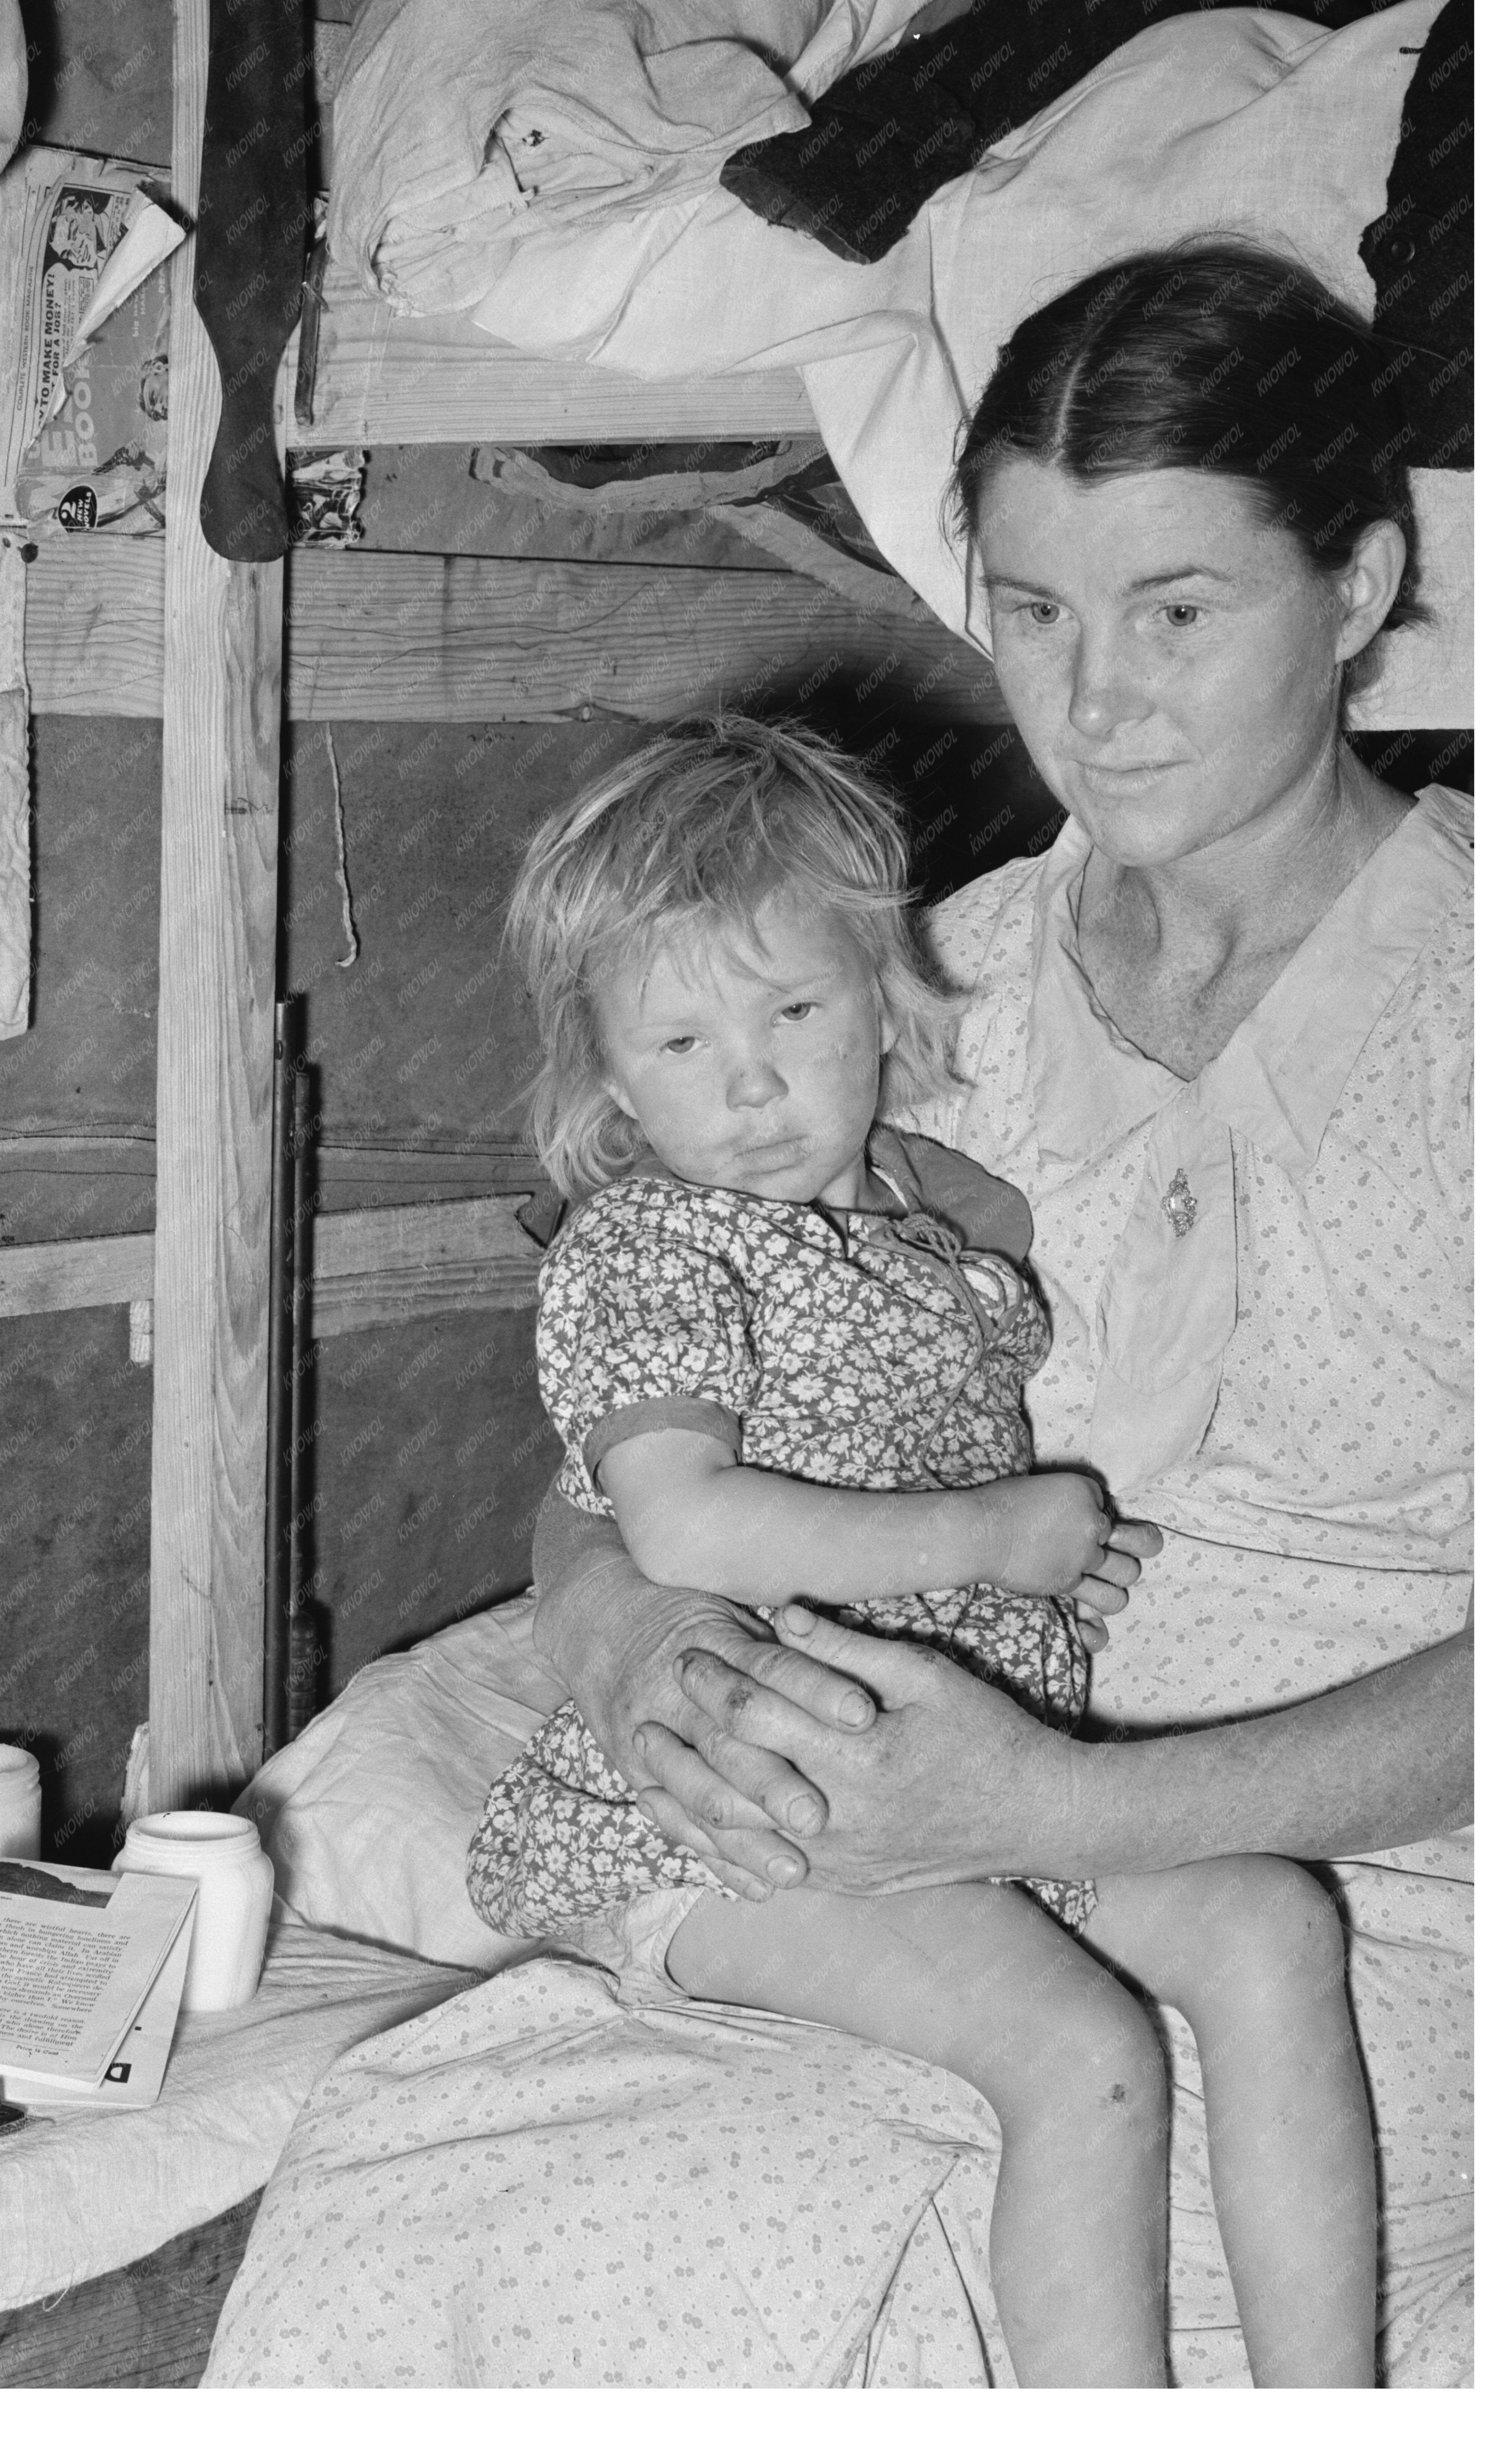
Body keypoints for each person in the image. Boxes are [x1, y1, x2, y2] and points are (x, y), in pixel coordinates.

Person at [531, 243, 1473, 2384]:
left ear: (1359, 581)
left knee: (894, 2212)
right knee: (465, 2141)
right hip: (908, 1824)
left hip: (1378, 1885)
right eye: (1033, 612)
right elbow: (628, 1426)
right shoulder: (892, 981)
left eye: (1178, 609)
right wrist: (641, 1648)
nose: (1095, 699)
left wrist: (1064, 1812)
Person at [466, 715, 1377, 2387]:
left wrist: (1023, 1573)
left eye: (794, 1015)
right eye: (676, 1042)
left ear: (885, 1006)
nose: (747, 1085)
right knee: (1077, 2048)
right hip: (742, 1806)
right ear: (603, 1073)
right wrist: (990, 1534)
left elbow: (914, 1480)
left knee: (1267, 1926)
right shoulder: (653, 1245)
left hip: (963, 1783)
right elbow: (680, 1520)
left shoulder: (919, 1226)